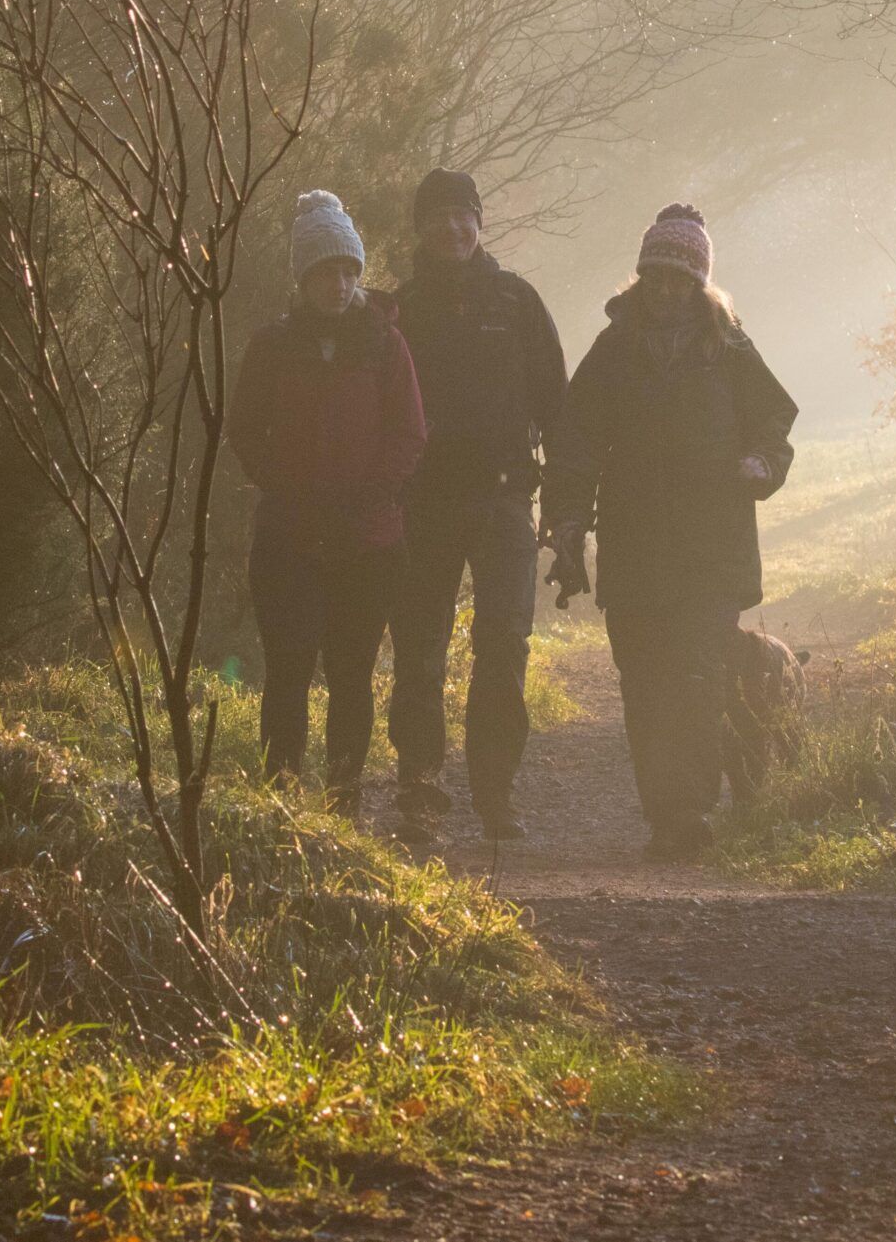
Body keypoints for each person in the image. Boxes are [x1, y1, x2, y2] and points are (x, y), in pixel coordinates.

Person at [544, 203, 798, 861]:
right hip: (634, 547)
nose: (665, 290)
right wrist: (567, 519)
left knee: (693, 673)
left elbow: (774, 418)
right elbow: (573, 440)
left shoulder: (729, 345)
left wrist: (762, 463)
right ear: (641, 276)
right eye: (655, 276)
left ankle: (686, 811)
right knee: (645, 679)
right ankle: (666, 810)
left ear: (699, 283)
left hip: (712, 548)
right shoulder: (613, 350)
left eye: (679, 279)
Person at [386, 168, 569, 840]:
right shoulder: (398, 311)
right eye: (437, 218)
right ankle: (421, 794)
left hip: (503, 503)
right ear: (420, 230)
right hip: (423, 508)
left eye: (462, 215)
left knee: (503, 649)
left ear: (479, 222)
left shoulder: (518, 303)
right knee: (419, 651)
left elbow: (559, 408)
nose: (452, 228)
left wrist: (565, 506)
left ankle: (495, 793)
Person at [229, 190, 425, 818]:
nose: (339, 284)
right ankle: (280, 799)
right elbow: (244, 430)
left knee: (351, 672)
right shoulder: (272, 346)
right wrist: (283, 484)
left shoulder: (386, 345)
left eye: (348, 270)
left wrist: (377, 491)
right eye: (325, 271)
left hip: (368, 540)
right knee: (286, 668)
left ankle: (342, 800)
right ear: (303, 276)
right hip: (288, 538)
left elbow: (410, 434)